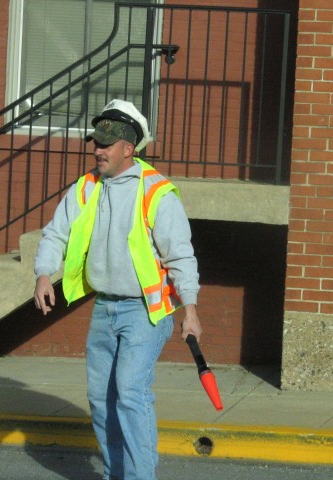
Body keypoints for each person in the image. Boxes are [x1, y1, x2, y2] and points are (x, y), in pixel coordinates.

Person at [33, 99, 202, 480]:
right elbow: (56, 233)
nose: (97, 149)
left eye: (106, 144)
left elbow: (181, 256)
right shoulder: (87, 186)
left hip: (145, 311)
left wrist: (190, 309)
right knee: (101, 401)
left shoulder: (157, 192)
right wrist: (44, 273)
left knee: (130, 393)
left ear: (129, 148)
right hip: (105, 308)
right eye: (96, 142)